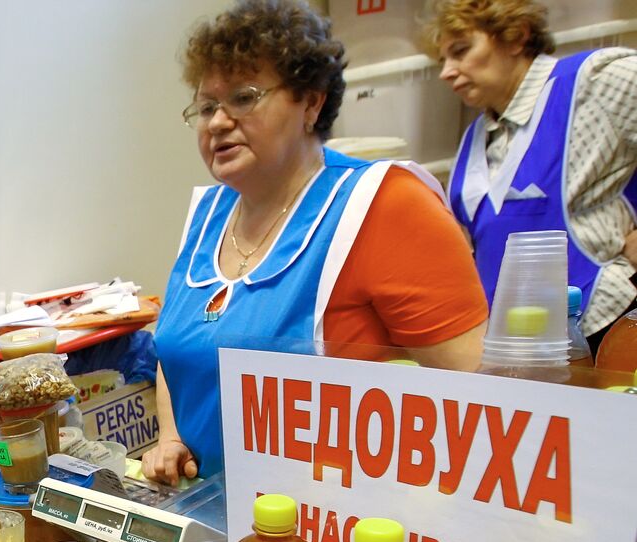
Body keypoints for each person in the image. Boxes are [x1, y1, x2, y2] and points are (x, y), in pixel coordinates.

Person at [143, 0, 489, 483]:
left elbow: (485, 400)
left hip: (339, 533)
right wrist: (172, 437)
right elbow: (178, 349)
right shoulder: (207, 215)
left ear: (311, 101)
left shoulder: (384, 205)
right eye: (205, 107)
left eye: (243, 97)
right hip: (212, 519)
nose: (217, 121)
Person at [427, 0, 637, 352]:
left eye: (461, 51)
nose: (446, 72)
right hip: (514, 346)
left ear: (516, 37)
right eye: (443, 60)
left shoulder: (595, 81)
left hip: (602, 324)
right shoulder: (474, 138)